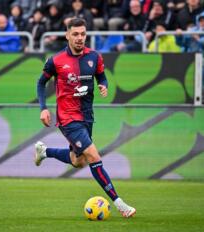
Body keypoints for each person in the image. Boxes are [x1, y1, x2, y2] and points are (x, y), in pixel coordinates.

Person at [35, 18, 136, 218]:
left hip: (87, 117)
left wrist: (103, 85)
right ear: (67, 35)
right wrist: (43, 108)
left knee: (78, 161)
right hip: (67, 118)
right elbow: (41, 83)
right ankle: (120, 203)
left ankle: (44, 151)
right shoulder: (55, 61)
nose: (80, 38)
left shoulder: (95, 57)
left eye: (82, 34)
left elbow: (102, 76)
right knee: (93, 156)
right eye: (75, 34)